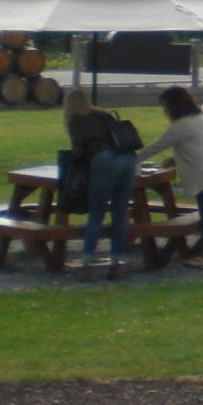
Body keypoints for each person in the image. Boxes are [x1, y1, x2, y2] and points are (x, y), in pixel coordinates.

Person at [138, 86, 203, 271]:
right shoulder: (200, 118)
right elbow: (200, 145)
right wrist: (176, 158)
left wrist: (131, 160)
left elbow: (155, 146)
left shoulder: (180, 125)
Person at [63, 87, 136, 275]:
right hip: (128, 158)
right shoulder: (103, 114)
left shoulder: (76, 119)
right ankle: (117, 261)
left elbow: (79, 148)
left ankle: (87, 260)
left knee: (97, 212)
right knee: (120, 212)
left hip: (104, 160)